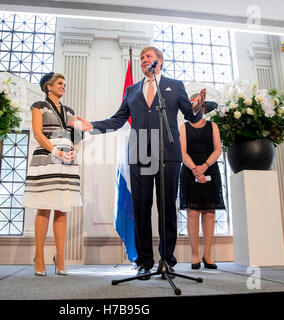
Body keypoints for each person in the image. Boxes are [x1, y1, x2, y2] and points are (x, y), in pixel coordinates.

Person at [70, 46, 206, 280]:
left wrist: (197, 107)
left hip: (168, 150)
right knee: (141, 208)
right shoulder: (132, 90)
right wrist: (91, 126)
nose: (144, 60)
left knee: (166, 207)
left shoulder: (175, 86)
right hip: (140, 150)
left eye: (148, 57)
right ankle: (144, 261)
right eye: (142, 58)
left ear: (160, 61)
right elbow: (118, 119)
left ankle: (167, 260)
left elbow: (190, 115)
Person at [23, 72, 82, 276]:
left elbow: (76, 136)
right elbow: (38, 133)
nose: (63, 86)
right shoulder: (39, 106)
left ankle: (60, 258)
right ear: (48, 86)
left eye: (64, 84)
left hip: (66, 161)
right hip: (47, 157)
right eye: (59, 83)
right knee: (44, 206)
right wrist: (55, 151)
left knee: (62, 207)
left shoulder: (70, 111)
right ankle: (39, 257)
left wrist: (74, 149)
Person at [179, 98, 225, 270]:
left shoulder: (213, 126)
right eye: (195, 107)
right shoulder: (184, 128)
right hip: (190, 171)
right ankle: (194, 256)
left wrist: (204, 166)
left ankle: (207, 255)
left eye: (201, 107)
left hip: (210, 168)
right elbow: (182, 152)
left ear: (204, 110)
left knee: (209, 213)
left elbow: (218, 149)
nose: (199, 110)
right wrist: (195, 170)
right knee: (192, 213)